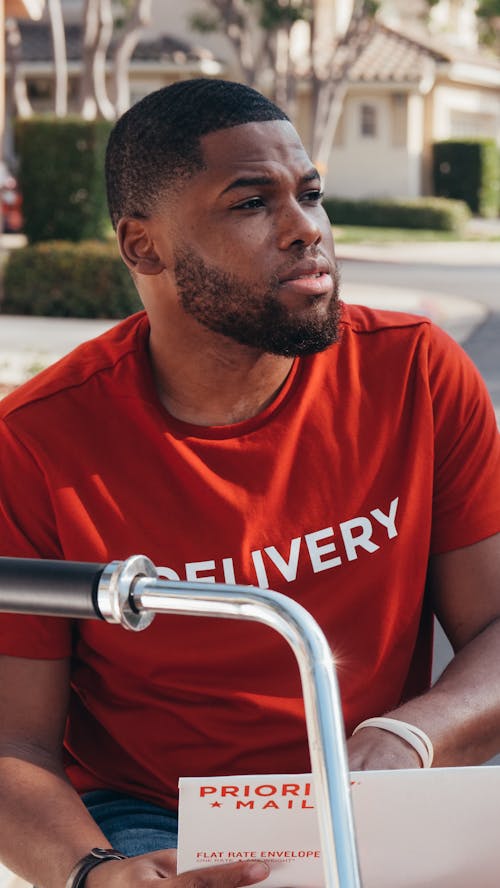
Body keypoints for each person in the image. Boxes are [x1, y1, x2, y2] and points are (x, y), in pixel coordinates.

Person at [0, 78, 499, 888]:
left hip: (381, 787)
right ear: (143, 248)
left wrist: (416, 736)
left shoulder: (415, 370)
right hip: (156, 814)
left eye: (310, 193)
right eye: (250, 203)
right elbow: (12, 742)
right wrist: (92, 874)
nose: (307, 229)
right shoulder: (35, 443)